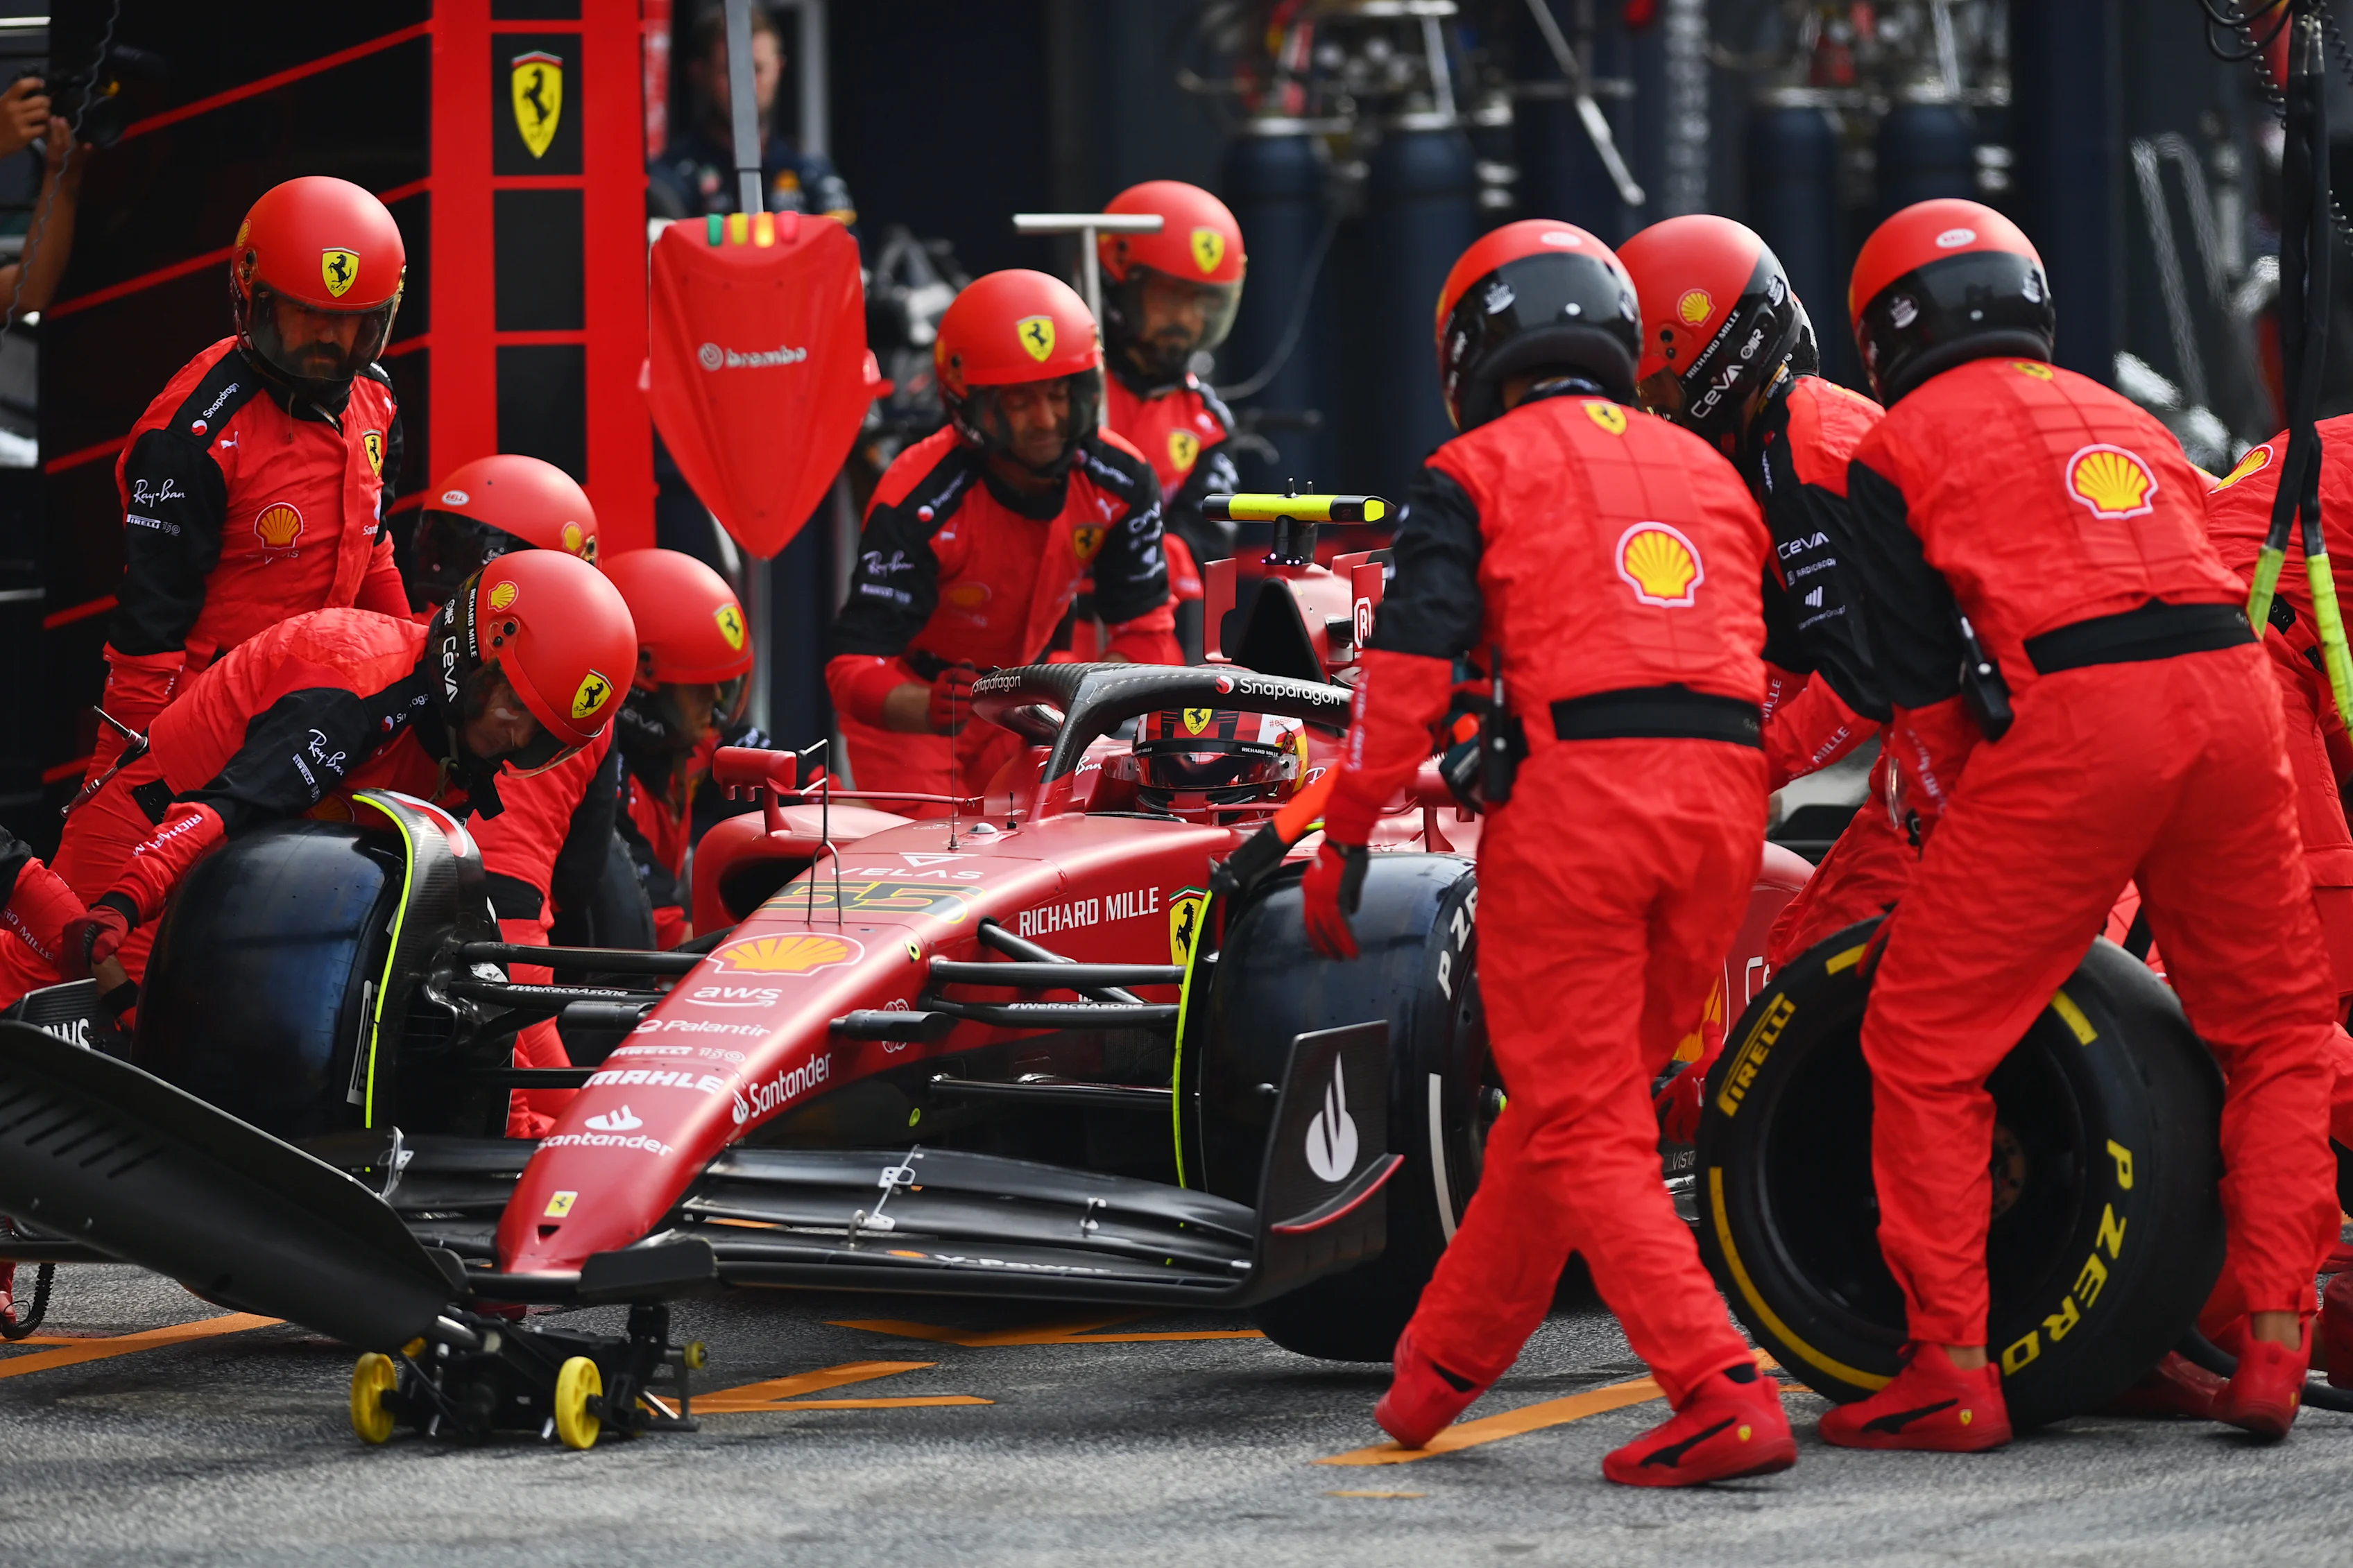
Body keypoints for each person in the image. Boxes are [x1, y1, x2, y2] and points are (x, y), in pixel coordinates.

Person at [1811, 197, 2337, 1449]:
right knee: (2275, 1037)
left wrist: (1940, 843)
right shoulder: (2124, 413)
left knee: (1925, 1037)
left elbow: (1922, 697)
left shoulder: (1894, 442)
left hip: (2080, 715)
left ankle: (1947, 1365)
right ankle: (2273, 1343)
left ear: (1884, 333)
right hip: (2231, 696)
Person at [1301, 220, 1794, 1487]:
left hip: (1581, 805)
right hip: (1726, 804)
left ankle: (1717, 1384)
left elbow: (1401, 678)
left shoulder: (1472, 468)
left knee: (1580, 1122)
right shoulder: (1709, 473)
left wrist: (1342, 838)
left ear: (1472, 348)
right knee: (1574, 1110)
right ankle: (1433, 1378)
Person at [1616, 215, 1907, 1139]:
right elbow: (1784, 669)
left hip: (2012, 760)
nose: (1655, 410)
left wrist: (1740, 769)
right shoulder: (1779, 450)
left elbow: (1863, 684)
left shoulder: (1809, 447)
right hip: (1955, 754)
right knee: (1803, 957)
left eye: (1661, 383)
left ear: (1718, 361)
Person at [53, 552, 635, 992]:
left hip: (237, 891)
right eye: (515, 709)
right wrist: (125, 900)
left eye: (542, 735)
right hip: (145, 849)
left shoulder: (460, 745)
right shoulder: (356, 687)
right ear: (476, 657)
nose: (517, 738)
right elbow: (227, 808)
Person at [89, 176, 409, 782]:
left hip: (319, 711)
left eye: (348, 323)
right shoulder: (193, 435)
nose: (326, 338)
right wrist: (131, 769)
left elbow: (372, 547)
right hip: (203, 717)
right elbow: (150, 622)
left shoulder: (379, 400)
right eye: (302, 314)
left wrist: (412, 661)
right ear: (252, 297)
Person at [826, 269, 1179, 806]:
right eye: (1020, 402)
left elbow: (1147, 633)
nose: (1046, 420)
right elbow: (853, 669)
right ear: (970, 402)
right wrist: (926, 705)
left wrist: (1087, 695)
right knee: (935, 872)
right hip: (918, 717)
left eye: (1060, 393)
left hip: (1032, 703)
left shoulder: (1124, 479)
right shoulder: (916, 498)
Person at [403, 456, 618, 1137]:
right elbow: (508, 922)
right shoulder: (448, 658)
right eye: (441, 545)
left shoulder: (531, 686)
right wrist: (558, 1112)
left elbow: (510, 920)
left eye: (474, 559)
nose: (446, 578)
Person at [1097, 180, 1246, 660]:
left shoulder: (1206, 422)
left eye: (1202, 302)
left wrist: (1124, 561)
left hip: (1145, 639)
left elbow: (1206, 538)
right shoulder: (1065, 393)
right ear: (1119, 280)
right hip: (1039, 637)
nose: (1186, 319)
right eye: (1168, 296)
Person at [606, 549, 756, 949]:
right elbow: (661, 940)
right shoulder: (601, 781)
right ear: (641, 686)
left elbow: (815, 788)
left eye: (725, 686)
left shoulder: (699, 737)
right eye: (701, 689)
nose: (719, 701)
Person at [646, 3, 853, 225]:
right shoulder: (670, 178)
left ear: (779, 69)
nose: (746, 86)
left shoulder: (810, 171)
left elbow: (850, 253)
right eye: (732, 71)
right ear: (699, 74)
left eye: (758, 69)